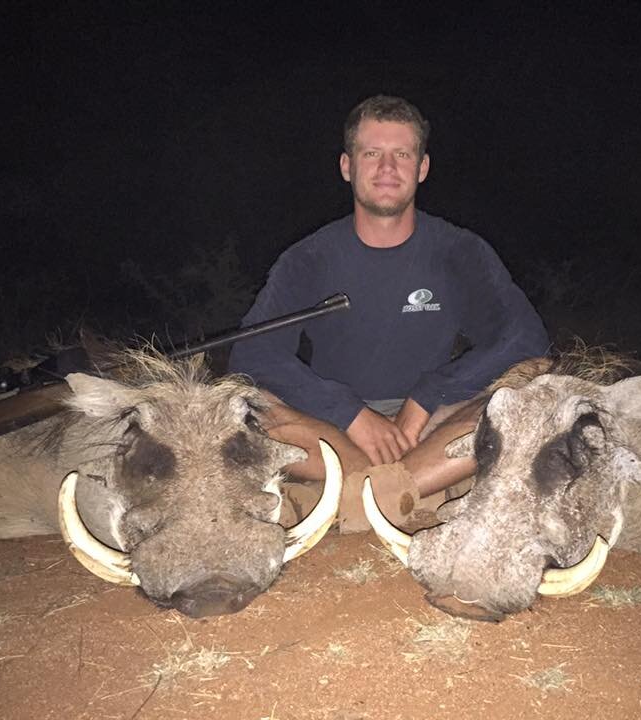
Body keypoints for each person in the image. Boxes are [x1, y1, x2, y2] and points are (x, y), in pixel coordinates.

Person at [228, 95, 549, 531]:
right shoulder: (309, 258)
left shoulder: (459, 251)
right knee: (241, 404)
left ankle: (354, 495)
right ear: (347, 166)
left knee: (535, 377)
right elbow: (253, 356)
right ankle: (415, 491)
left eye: (402, 154)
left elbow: (524, 338)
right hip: (332, 429)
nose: (386, 168)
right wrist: (349, 414)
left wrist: (429, 395)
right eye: (371, 153)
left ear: (422, 168)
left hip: (432, 428)